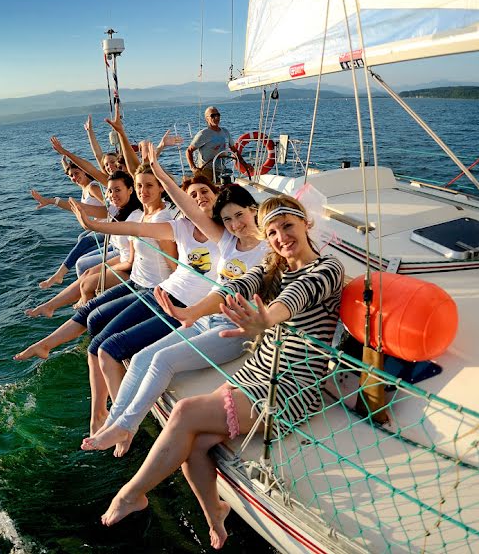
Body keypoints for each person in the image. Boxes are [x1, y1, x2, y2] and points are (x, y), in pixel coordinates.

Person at [98, 194, 345, 550]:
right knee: (195, 445)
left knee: (183, 412)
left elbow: (296, 298)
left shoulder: (327, 268)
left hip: (292, 386)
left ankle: (130, 494)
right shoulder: (273, 265)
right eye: (272, 231)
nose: (281, 237)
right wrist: (195, 312)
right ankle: (216, 514)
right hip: (257, 372)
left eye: (288, 226)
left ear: (306, 225)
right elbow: (236, 286)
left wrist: (266, 318)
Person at [82, 147, 270, 457]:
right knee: (143, 358)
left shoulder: (266, 250)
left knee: (163, 361)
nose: (235, 223)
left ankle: (126, 425)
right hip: (205, 319)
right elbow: (191, 209)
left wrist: (189, 312)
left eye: (240, 215)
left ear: (253, 210)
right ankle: (116, 425)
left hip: (234, 331)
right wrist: (160, 174)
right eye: (228, 219)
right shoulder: (227, 241)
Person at [15, 162, 177, 434]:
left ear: (162, 187)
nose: (143, 190)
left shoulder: (164, 219)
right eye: (140, 186)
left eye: (149, 185)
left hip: (154, 291)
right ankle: (48, 348)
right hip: (138, 281)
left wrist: (173, 301)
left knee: (99, 340)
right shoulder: (142, 217)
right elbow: (134, 258)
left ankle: (111, 414)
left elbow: (175, 267)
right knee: (92, 312)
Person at [70, 153, 222, 407]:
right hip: (162, 294)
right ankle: (112, 411)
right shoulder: (181, 227)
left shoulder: (227, 233)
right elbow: (135, 229)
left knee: (110, 346)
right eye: (192, 195)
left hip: (184, 305)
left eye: (204, 191)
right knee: (100, 337)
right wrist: (94, 226)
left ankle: (117, 418)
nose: (198, 198)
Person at [25, 170, 140, 318]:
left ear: (130, 190)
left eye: (118, 190)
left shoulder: (135, 216)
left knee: (87, 284)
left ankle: (85, 317)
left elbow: (132, 260)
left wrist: (87, 224)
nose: (112, 194)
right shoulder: (114, 209)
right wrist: (54, 201)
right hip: (124, 259)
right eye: (110, 190)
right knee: (87, 273)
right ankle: (49, 306)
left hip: (133, 267)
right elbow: (84, 208)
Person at [31, 159, 106, 288]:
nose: (74, 178)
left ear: (84, 171)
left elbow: (111, 208)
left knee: (85, 241)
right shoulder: (85, 188)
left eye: (76, 173)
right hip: (100, 227)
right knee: (81, 237)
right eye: (71, 176)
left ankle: (59, 275)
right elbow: (73, 206)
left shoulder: (93, 188)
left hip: (109, 228)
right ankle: (90, 268)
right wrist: (49, 201)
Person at [186, 106, 234, 182]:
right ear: (206, 118)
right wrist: (193, 168)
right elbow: (189, 151)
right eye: (213, 115)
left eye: (218, 115)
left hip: (222, 169)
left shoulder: (225, 132)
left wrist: (243, 163)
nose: (216, 117)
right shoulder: (203, 134)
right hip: (207, 170)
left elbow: (234, 149)